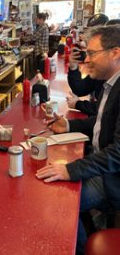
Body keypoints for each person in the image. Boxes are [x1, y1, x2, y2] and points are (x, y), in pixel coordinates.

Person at [36, 25, 120, 254]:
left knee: (58, 205)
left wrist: (70, 170)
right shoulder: (110, 83)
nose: (87, 60)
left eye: (92, 53)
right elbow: (102, 122)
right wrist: (68, 125)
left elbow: (117, 154)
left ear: (116, 52)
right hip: (103, 168)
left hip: (112, 179)